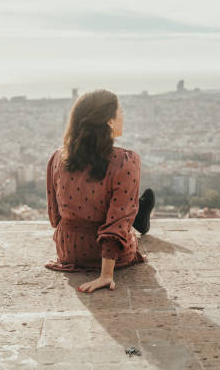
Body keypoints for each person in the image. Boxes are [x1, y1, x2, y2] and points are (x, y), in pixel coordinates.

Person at [44, 89, 155, 293]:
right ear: (109, 122)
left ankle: (138, 211)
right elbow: (117, 223)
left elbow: (54, 216)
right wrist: (106, 275)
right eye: (120, 111)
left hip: (68, 250)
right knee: (125, 212)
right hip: (109, 255)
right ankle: (139, 214)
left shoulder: (57, 158)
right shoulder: (125, 161)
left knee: (114, 204)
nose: (124, 116)